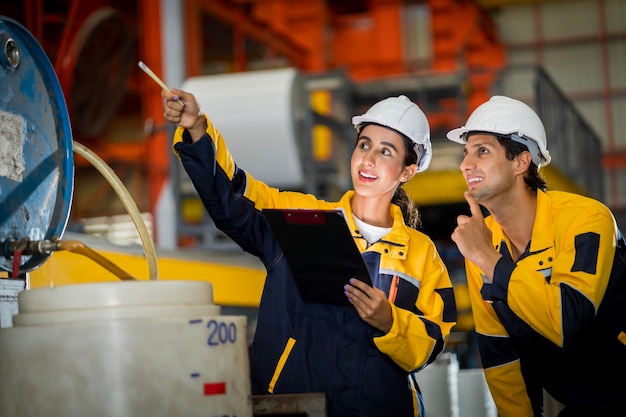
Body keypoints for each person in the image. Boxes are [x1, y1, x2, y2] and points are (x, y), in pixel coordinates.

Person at [162, 89, 457, 417]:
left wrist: (390, 322)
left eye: (386, 151)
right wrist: (197, 129)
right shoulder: (299, 218)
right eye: (364, 144)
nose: (368, 159)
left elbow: (432, 342)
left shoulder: (422, 254)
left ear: (407, 172)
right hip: (292, 408)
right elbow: (233, 195)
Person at [447, 95, 626, 416]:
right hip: (583, 405)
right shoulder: (485, 244)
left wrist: (489, 259)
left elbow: (568, 321)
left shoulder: (585, 219)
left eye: (482, 151)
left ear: (520, 161)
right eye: (466, 153)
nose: (465, 164)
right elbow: (500, 356)